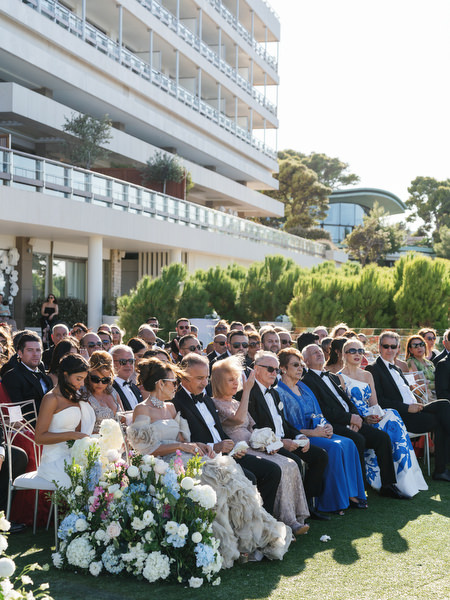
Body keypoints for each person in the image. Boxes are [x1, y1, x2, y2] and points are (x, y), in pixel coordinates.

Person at [127, 357, 291, 567]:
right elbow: (144, 448)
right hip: (163, 464)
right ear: (161, 383)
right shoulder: (143, 409)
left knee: (233, 480)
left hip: (186, 457)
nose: (175, 386)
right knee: (218, 485)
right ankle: (227, 545)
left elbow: (182, 439)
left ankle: (252, 540)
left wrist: (197, 445)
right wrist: (182, 447)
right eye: (173, 382)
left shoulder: (170, 408)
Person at [172, 353, 282, 517]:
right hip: (206, 458)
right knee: (250, 477)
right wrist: (215, 447)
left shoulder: (206, 399)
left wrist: (233, 446)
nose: (204, 383)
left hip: (227, 453)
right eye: (199, 378)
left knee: (272, 470)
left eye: (206, 378)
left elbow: (218, 431)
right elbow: (184, 440)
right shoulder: (176, 402)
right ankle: (250, 524)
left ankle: (264, 522)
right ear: (184, 377)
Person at [211, 356, 310, 536]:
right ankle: (275, 522)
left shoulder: (235, 402)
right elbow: (239, 420)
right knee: (277, 468)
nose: (235, 384)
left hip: (253, 444)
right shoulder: (215, 403)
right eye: (230, 380)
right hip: (240, 449)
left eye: (236, 379)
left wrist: (268, 443)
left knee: (290, 463)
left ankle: (292, 519)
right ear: (218, 382)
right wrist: (247, 390)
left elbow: (252, 426)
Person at [301, 344, 408, 499]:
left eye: (319, 351)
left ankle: (388, 484)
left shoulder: (331, 376)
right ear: (306, 361)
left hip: (352, 419)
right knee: (358, 440)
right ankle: (359, 489)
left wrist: (357, 418)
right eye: (313, 353)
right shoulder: (307, 381)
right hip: (333, 424)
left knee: (382, 438)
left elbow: (348, 401)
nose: (319, 354)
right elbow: (323, 410)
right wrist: (349, 418)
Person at [276, 348, 366, 513]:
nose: (300, 369)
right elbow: (285, 426)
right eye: (295, 365)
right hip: (301, 436)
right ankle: (332, 502)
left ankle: (351, 493)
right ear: (283, 368)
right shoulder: (278, 391)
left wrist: (327, 426)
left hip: (318, 431)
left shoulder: (303, 386)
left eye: (301, 365)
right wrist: (313, 433)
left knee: (349, 442)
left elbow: (319, 413)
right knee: (335, 447)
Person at [340, 338, 427, 497]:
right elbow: (344, 406)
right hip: (355, 420)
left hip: (371, 415)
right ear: (344, 355)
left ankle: (405, 477)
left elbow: (374, 403)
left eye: (360, 351)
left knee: (392, 414)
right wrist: (363, 418)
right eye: (352, 351)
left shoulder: (367, 375)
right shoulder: (338, 377)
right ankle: (393, 480)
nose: (357, 354)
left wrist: (375, 414)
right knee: (388, 428)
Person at [248, 351, 329, 520]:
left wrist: (299, 436)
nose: (274, 373)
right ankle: (287, 515)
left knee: (320, 456)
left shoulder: (274, 392)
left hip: (286, 439)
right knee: (296, 462)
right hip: (268, 445)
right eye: (270, 369)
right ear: (256, 369)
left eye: (276, 370)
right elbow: (254, 429)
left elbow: (284, 423)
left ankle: (306, 506)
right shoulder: (249, 394)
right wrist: (281, 443)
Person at [366, 331, 450, 482]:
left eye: (393, 346)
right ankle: (441, 470)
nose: (390, 350)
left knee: (444, 405)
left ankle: (441, 470)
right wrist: (407, 408)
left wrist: (414, 404)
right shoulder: (373, 369)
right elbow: (379, 401)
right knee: (442, 415)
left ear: (398, 348)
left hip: (415, 409)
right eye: (386, 346)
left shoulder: (397, 368)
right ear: (379, 347)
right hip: (399, 416)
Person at [35, 354, 95, 487]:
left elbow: (81, 429)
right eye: (78, 379)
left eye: (84, 379)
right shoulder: (51, 398)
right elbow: (39, 438)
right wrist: (72, 435)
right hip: (53, 460)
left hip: (73, 455)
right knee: (83, 480)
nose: (82, 384)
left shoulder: (75, 396)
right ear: (65, 374)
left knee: (100, 471)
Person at [2, 332, 52, 415]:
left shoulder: (45, 376)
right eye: (30, 350)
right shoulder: (12, 376)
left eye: (38, 350)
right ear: (20, 353)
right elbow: (16, 412)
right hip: (30, 426)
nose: (35, 354)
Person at [83, 351, 124, 433]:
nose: (100, 383)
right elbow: (82, 429)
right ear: (88, 375)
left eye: (105, 380)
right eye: (95, 379)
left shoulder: (112, 391)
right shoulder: (83, 395)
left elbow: (123, 418)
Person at [111, 345, 143, 411]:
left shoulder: (135, 388)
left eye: (131, 361)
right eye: (123, 362)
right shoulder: (109, 388)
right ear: (112, 363)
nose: (128, 365)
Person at [405, 335, 436, 400]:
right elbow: (416, 386)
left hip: (436, 393)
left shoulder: (429, 363)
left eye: (421, 344)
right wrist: (436, 384)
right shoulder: (410, 362)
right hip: (425, 398)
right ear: (410, 349)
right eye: (415, 346)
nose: (419, 347)